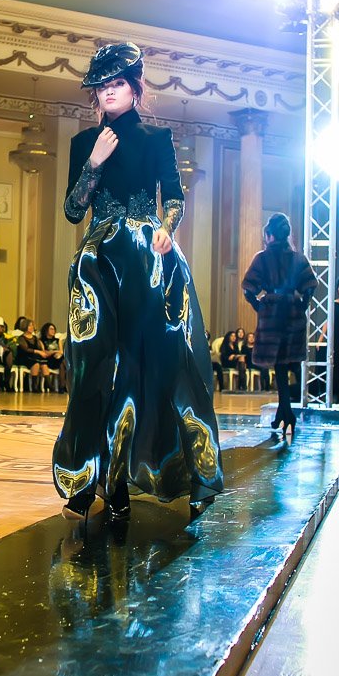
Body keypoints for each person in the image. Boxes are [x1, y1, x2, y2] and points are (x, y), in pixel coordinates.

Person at [52, 42, 223, 523]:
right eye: (101, 87)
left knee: (148, 367)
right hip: (98, 263)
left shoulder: (155, 137)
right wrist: (94, 163)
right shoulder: (84, 143)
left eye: (117, 84)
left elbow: (174, 197)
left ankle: (133, 480)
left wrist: (166, 229)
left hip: (149, 258)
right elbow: (72, 212)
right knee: (92, 370)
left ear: (134, 88)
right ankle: (88, 479)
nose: (109, 92)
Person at [242, 211, 317, 435]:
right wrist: (301, 305)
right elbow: (310, 286)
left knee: (280, 364)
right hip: (293, 314)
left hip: (272, 314)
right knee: (284, 364)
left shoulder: (262, 258)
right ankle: (284, 413)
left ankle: (286, 413)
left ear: (270, 235)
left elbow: (248, 289)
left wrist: (259, 306)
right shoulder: (298, 258)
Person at [15, 319, 49, 391]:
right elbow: (26, 349)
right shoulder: (21, 338)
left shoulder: (35, 338)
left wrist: (41, 348)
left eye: (32, 326)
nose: (32, 327)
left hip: (34, 357)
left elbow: (40, 348)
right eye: (30, 326)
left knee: (44, 364)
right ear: (25, 326)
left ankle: (48, 384)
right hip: (24, 357)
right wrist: (38, 352)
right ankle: (34, 386)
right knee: (36, 363)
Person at [41, 322, 66, 392]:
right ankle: (62, 386)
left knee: (61, 363)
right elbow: (44, 353)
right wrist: (54, 352)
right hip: (49, 360)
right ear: (46, 330)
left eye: (54, 329)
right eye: (51, 329)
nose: (53, 331)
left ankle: (62, 387)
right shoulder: (41, 340)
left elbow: (61, 351)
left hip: (59, 358)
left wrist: (58, 354)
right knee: (63, 362)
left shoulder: (58, 340)